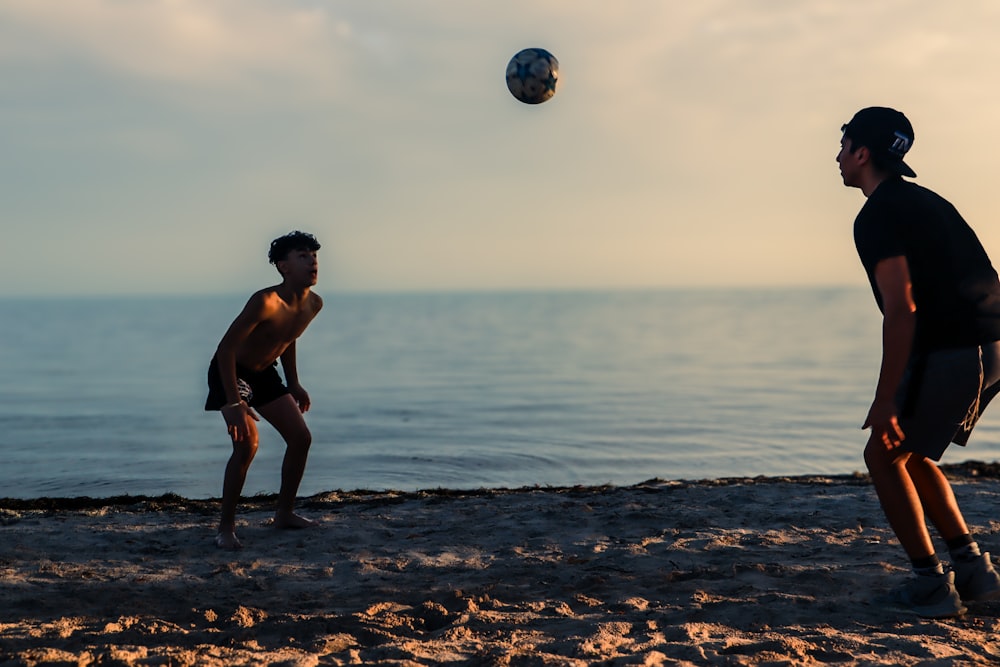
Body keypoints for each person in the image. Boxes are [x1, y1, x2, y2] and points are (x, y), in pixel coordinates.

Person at [837, 107, 1000, 617]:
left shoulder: (879, 214)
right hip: (989, 345)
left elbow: (901, 308)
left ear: (862, 153)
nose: (838, 155)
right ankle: (974, 573)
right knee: (910, 454)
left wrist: (885, 400)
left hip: (955, 348)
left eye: (843, 145)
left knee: (881, 454)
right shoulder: (924, 201)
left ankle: (932, 586)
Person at [205, 231, 324, 550]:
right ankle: (226, 528)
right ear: (283, 266)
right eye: (303, 255)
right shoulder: (265, 301)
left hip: (265, 374)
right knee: (247, 445)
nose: (312, 260)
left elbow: (288, 338)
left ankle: (284, 514)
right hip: (231, 370)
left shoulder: (314, 304)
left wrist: (293, 382)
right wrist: (233, 401)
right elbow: (226, 349)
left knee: (301, 438)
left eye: (314, 255)